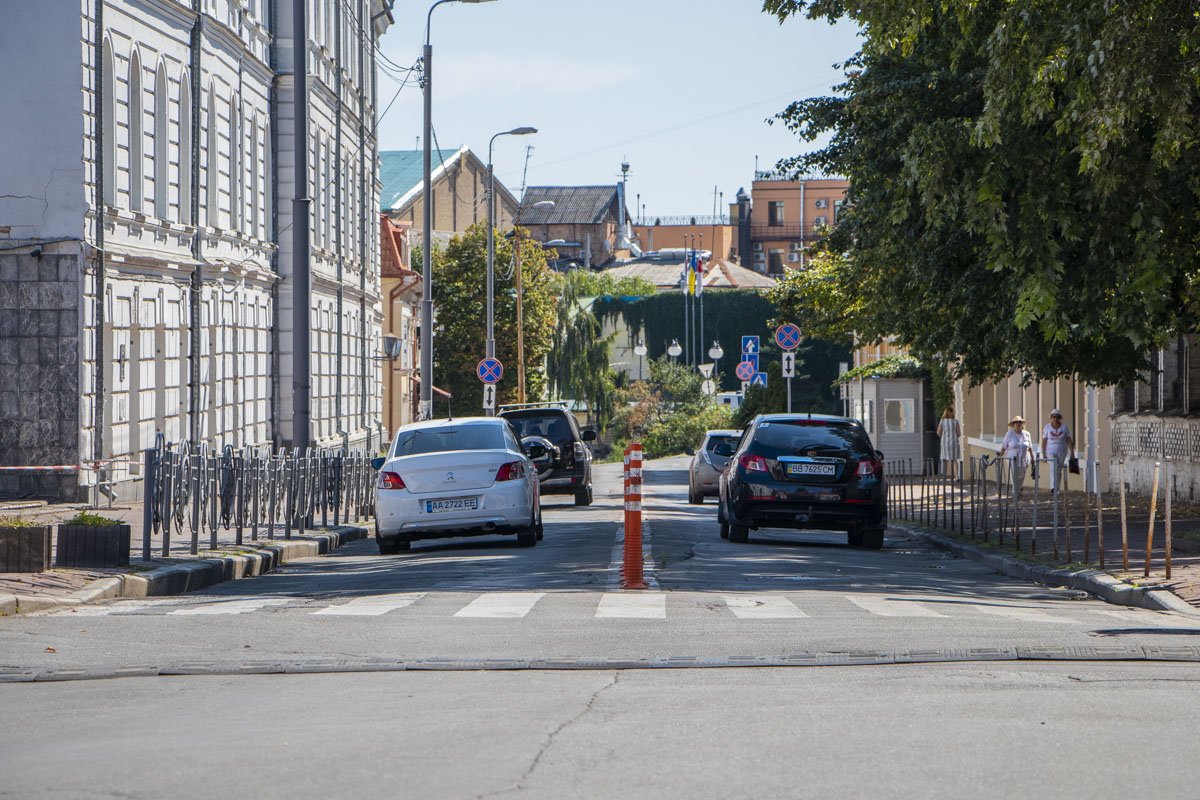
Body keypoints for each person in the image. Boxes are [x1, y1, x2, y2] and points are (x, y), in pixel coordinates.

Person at [999, 415, 1034, 503]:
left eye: (1020, 422)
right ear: (1013, 424)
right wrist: (1000, 456)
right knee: (1014, 474)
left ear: (1022, 424)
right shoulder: (1009, 434)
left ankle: (1018, 489)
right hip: (1012, 458)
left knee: (1021, 475)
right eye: (1016, 422)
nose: (1018, 424)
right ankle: (1015, 492)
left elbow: (1030, 447)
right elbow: (1004, 446)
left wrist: (1033, 458)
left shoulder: (1027, 434)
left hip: (1024, 457)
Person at [1040, 408, 1075, 493]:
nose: (1055, 419)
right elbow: (1044, 441)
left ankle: (1057, 488)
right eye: (1053, 417)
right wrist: (1044, 453)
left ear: (1059, 418)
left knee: (1058, 469)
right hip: (1050, 451)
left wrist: (1072, 452)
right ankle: (1053, 487)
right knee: (1053, 468)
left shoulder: (1064, 427)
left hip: (1062, 450)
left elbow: (1068, 440)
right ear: (1051, 418)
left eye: (1057, 417)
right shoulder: (1047, 427)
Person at [937, 407, 961, 480]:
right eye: (952, 412)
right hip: (954, 443)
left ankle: (944, 476)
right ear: (951, 412)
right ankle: (956, 476)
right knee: (954, 460)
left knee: (945, 460)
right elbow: (959, 433)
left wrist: (944, 436)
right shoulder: (955, 421)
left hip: (945, 443)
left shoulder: (942, 421)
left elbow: (938, 432)